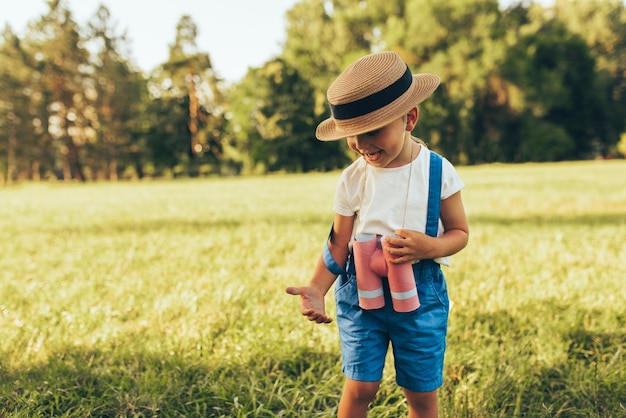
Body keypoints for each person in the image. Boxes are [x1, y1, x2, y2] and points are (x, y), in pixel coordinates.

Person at [286, 51, 469, 418]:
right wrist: (317, 287)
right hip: (360, 293)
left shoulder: (436, 171)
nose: (362, 143)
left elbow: (460, 232)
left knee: (420, 393)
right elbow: (340, 241)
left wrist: (430, 246)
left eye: (374, 130)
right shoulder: (353, 178)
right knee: (360, 387)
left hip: (420, 295)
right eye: (353, 135)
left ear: (409, 119)